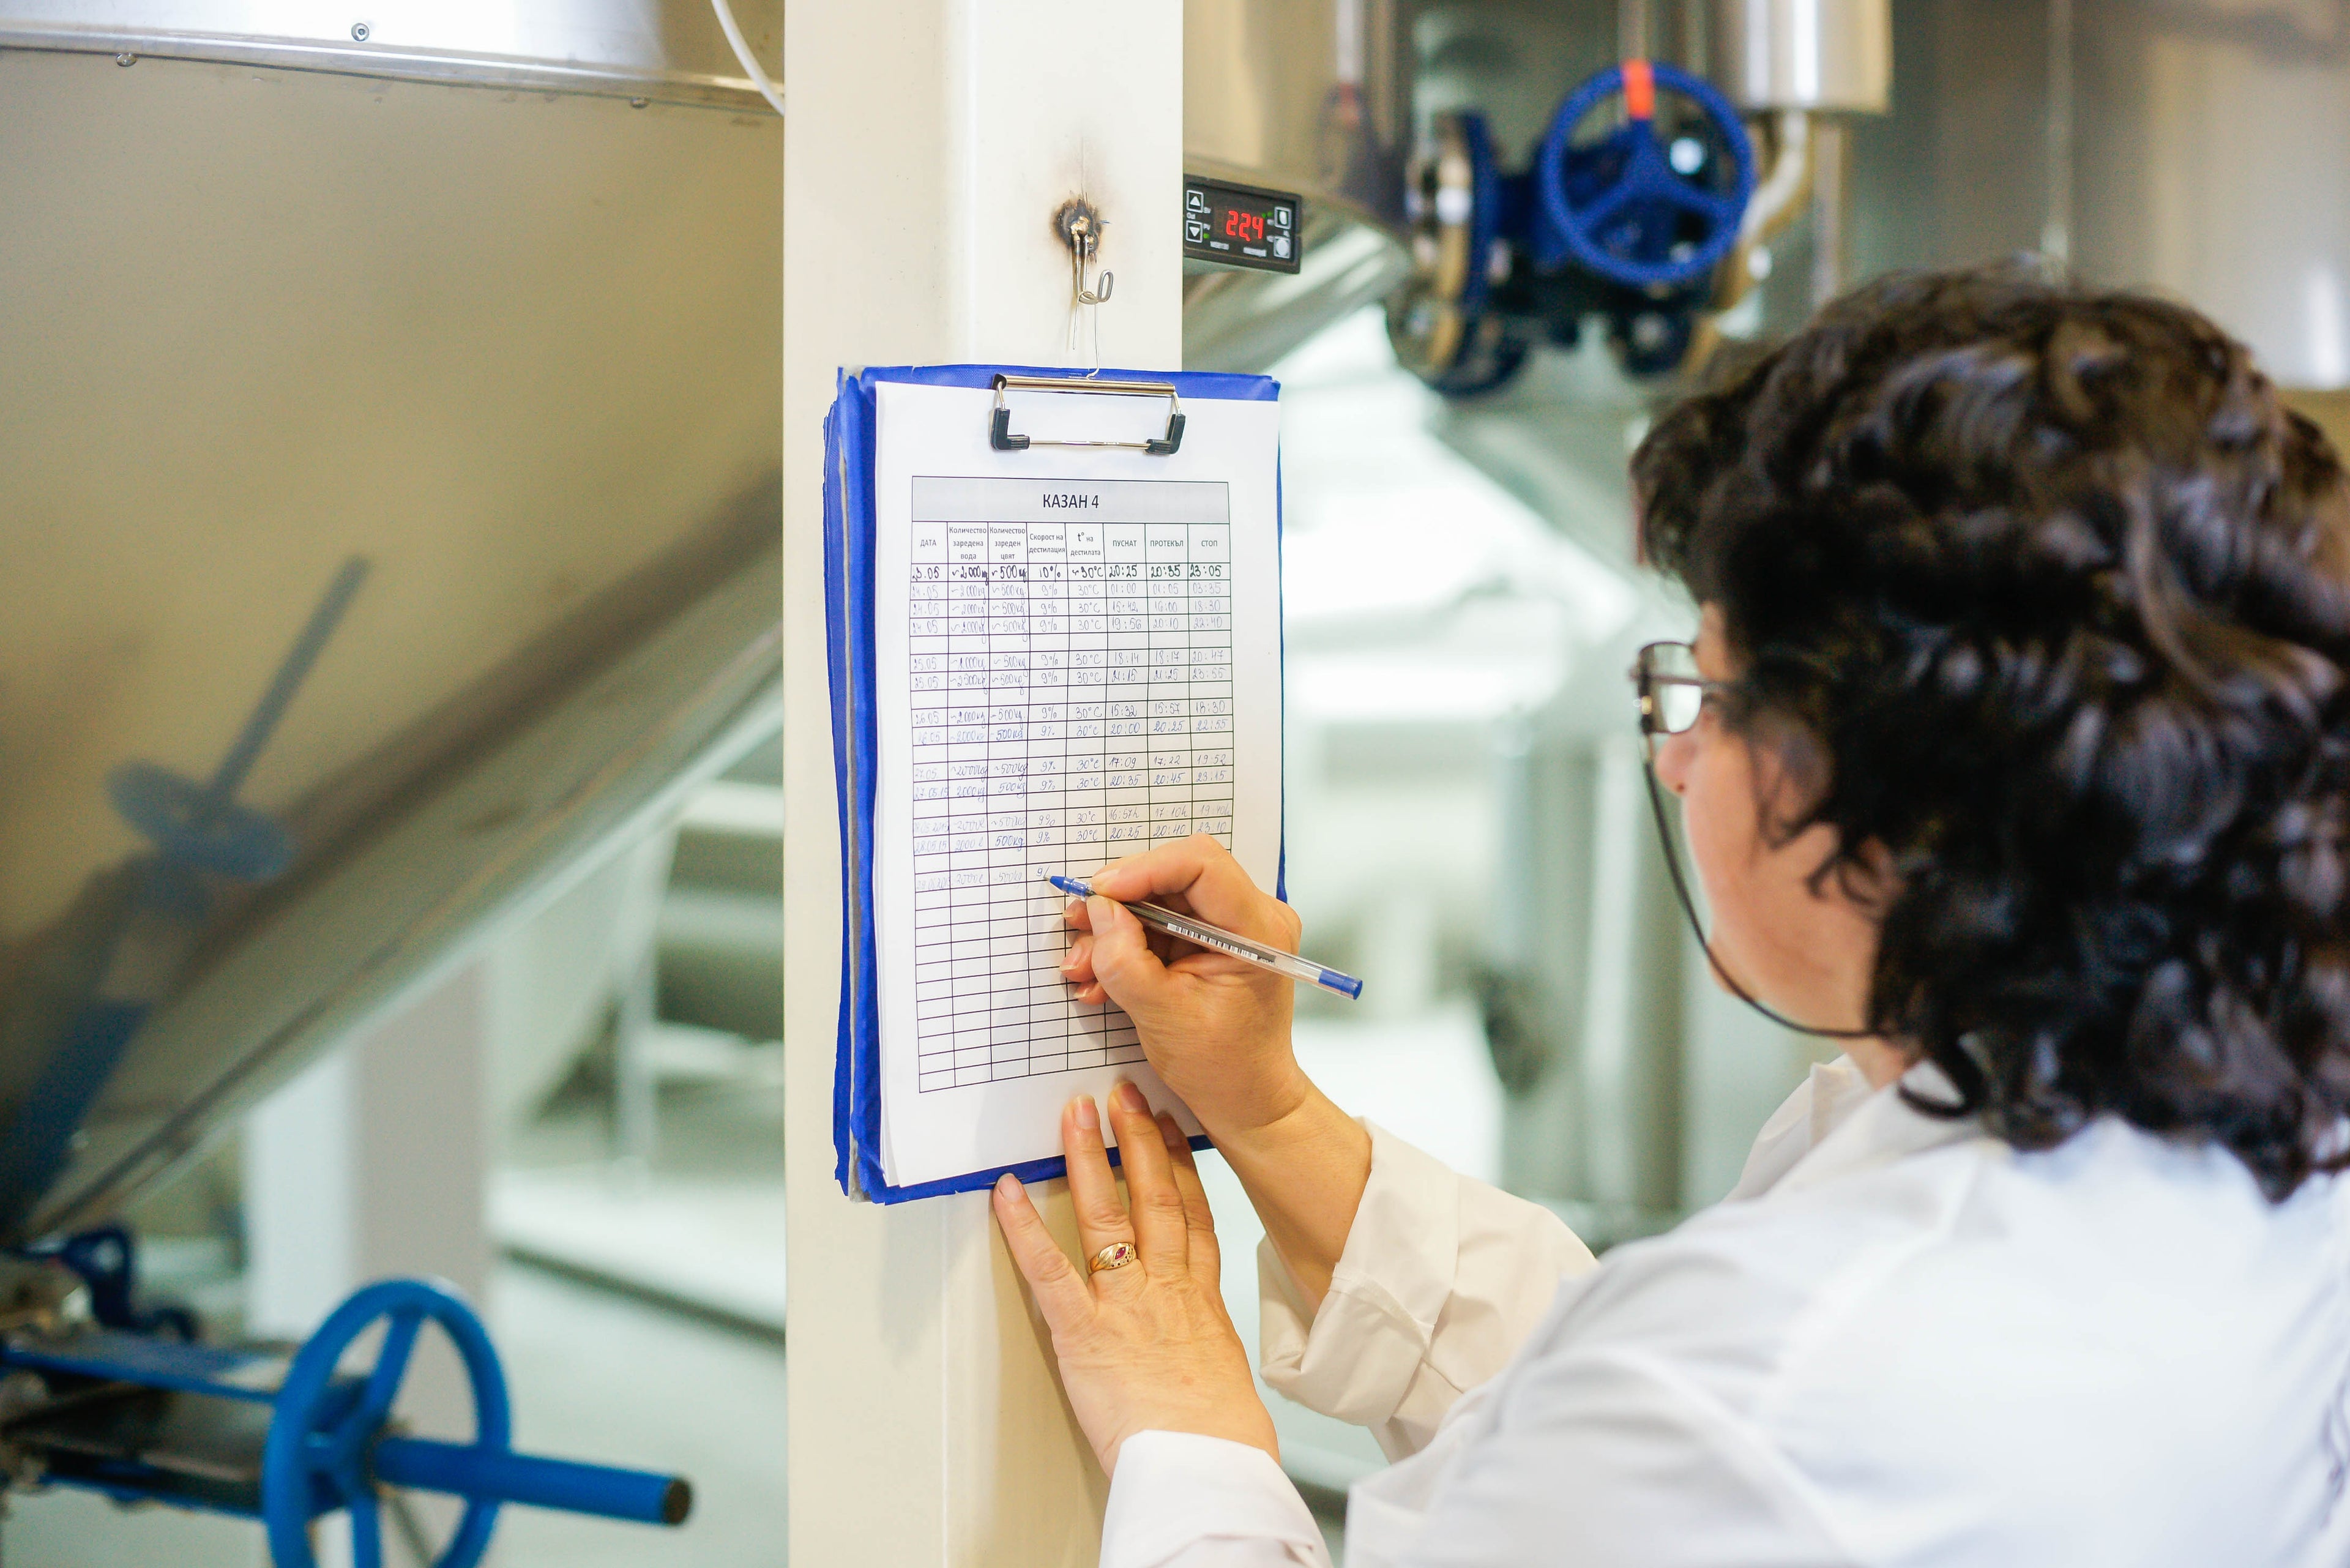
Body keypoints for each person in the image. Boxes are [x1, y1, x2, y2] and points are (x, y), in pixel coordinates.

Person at [987, 267, 2350, 1567]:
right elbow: (1607, 1411)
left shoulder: (1766, 1391)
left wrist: (1196, 1443)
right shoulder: (2235, 1128)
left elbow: (1683, 1430)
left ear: (1878, 773)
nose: (1671, 758)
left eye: (1703, 692)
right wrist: (1275, 1115)